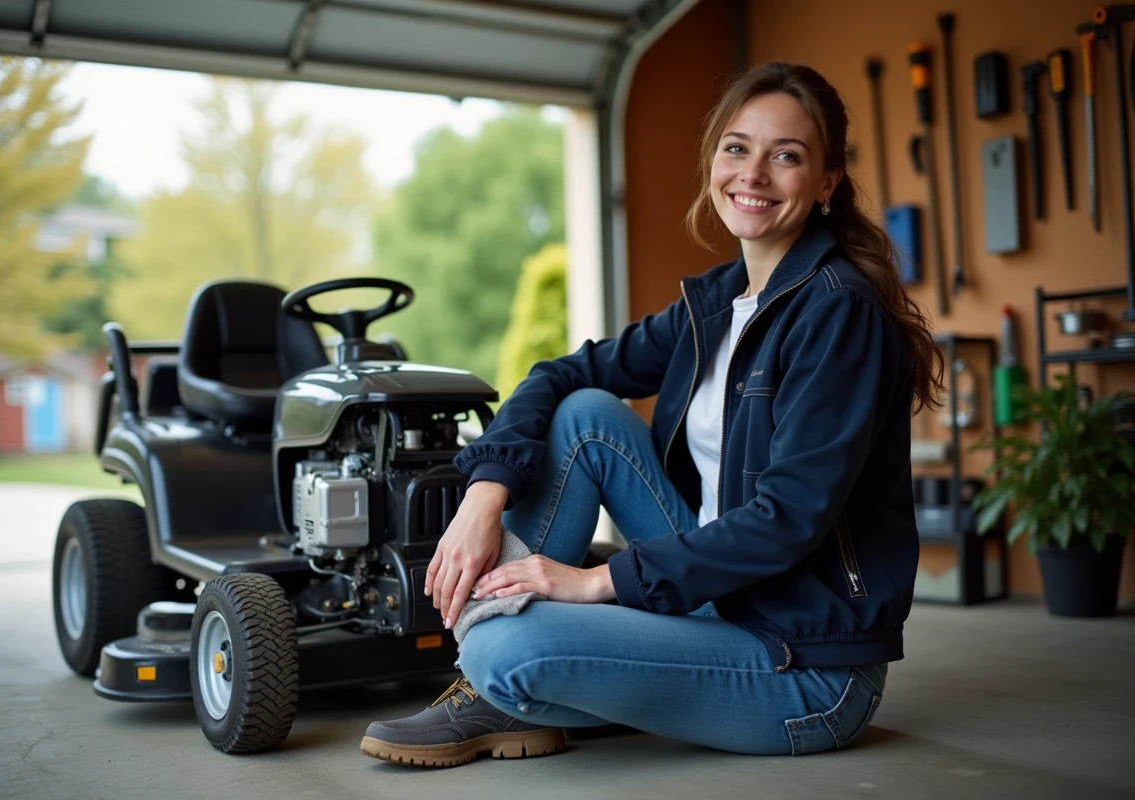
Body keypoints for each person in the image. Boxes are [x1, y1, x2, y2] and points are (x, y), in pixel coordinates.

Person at [360, 61, 942, 767]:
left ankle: (514, 678)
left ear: (826, 183)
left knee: (503, 649)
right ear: (713, 163)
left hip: (805, 663)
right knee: (585, 416)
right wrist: (484, 495)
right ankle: (529, 680)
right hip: (723, 596)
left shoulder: (838, 311)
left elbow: (788, 517)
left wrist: (594, 583)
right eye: (737, 147)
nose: (753, 173)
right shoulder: (721, 303)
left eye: (786, 156)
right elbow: (558, 374)